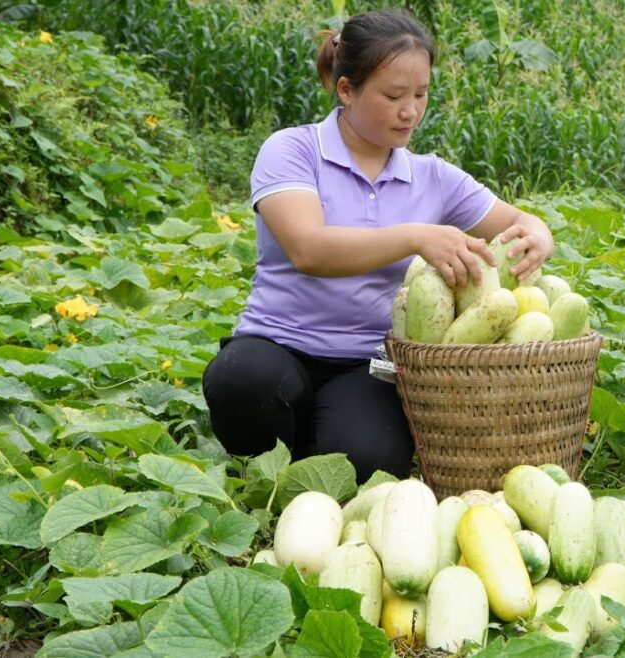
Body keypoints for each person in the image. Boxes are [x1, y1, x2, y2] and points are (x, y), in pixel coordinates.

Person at [201, 9, 554, 483]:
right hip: (277, 345)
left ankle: (314, 439)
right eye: (393, 96)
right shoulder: (292, 151)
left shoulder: (433, 176)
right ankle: (272, 456)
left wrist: (538, 233)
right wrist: (414, 236)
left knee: (366, 464)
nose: (410, 111)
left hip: (367, 364)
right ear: (346, 90)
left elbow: (517, 220)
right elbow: (310, 249)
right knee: (241, 382)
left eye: (421, 94)